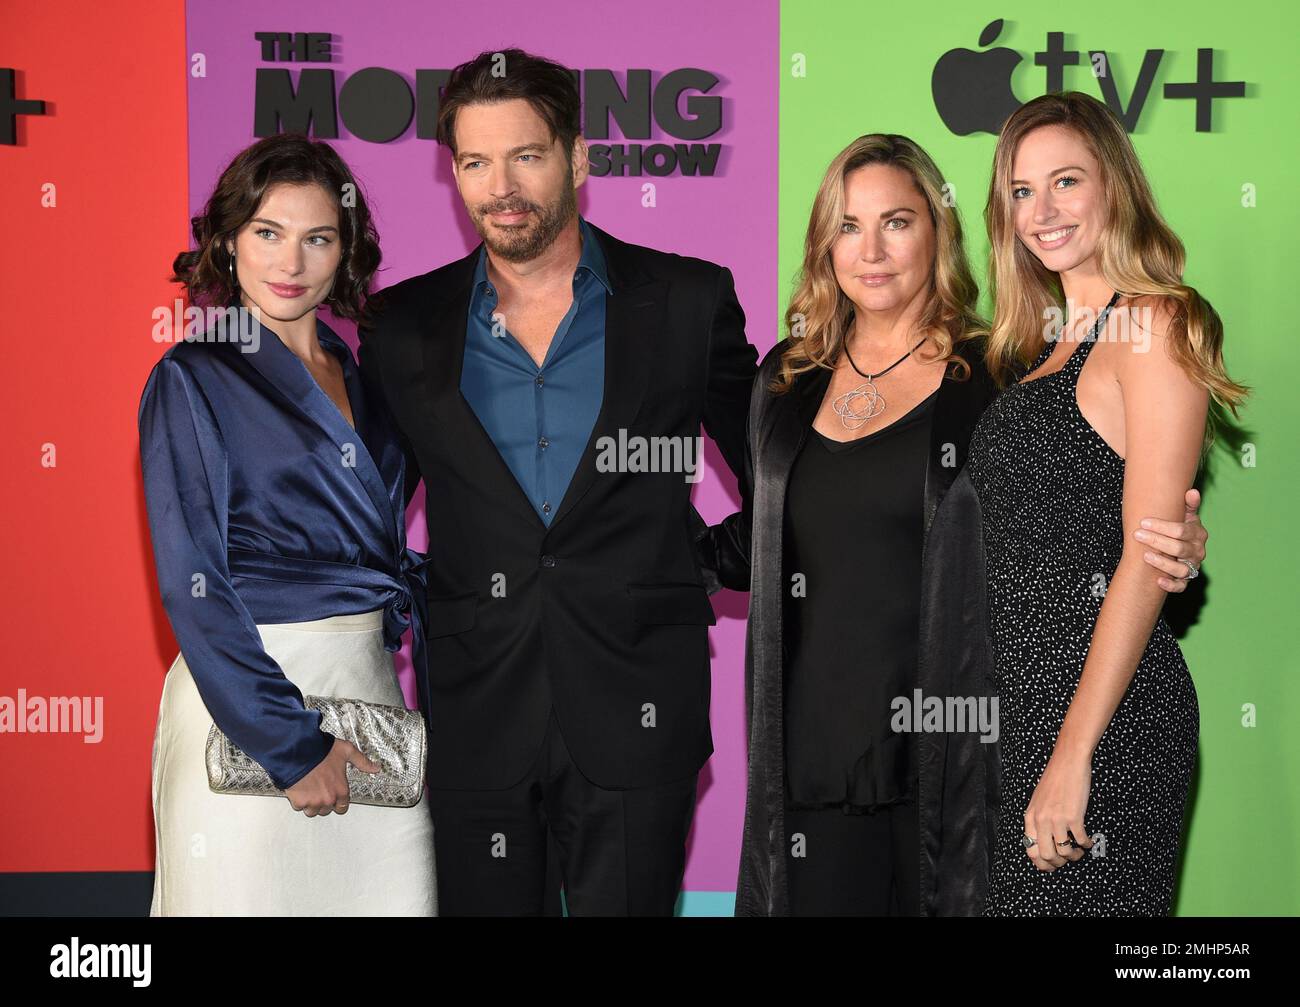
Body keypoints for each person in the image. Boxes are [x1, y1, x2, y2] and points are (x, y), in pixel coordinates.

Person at [696, 133, 1211, 916]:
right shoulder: (786, 377)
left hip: (963, 756)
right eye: (847, 224)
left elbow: (1065, 507)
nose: (870, 249)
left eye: (897, 221)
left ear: (939, 232)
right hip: (813, 754)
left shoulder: (1001, 366)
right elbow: (763, 536)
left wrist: (1170, 544)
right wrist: (623, 559)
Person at [356, 48, 757, 916]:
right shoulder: (402, 327)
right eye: (474, 162)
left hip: (637, 706)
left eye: (526, 155)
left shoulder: (685, 301)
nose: (501, 186)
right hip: (476, 713)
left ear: (577, 158)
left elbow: (786, 476)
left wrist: (699, 559)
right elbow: (362, 514)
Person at [139, 133, 436, 915]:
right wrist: (291, 743)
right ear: (230, 240)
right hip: (249, 698)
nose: (290, 261)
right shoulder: (193, 376)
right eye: (268, 232)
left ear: (346, 253)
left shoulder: (367, 379)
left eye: (317, 238)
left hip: (368, 689)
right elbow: (191, 582)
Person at [967, 92, 1247, 915]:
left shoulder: (1158, 322)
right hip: (1017, 716)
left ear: (1114, 188)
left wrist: (1072, 752)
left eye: (1065, 182)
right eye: (1022, 190)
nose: (1042, 211)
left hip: (1105, 720)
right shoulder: (1034, 352)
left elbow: (1147, 552)